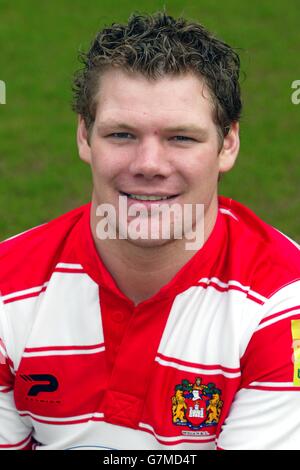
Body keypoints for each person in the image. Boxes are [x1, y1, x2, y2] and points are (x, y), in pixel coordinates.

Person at [0, 11, 299, 451]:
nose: (148, 165)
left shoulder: (283, 302)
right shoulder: (7, 287)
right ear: (85, 137)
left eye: (181, 138)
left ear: (228, 144)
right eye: (122, 134)